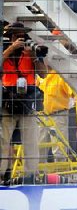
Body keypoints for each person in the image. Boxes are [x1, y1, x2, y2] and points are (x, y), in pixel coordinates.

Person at [1, 22, 48, 184]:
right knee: (3, 139)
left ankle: (31, 174)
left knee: (31, 140)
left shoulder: (31, 51)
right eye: (16, 35)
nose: (20, 38)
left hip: (28, 100)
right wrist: (11, 49)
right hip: (9, 99)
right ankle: (1, 174)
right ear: (10, 37)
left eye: (22, 35)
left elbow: (44, 74)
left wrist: (35, 56)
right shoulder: (4, 49)